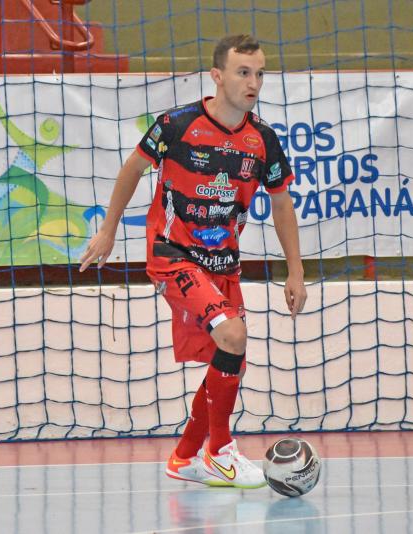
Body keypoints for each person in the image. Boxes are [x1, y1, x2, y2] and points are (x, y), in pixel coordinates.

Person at [79, 34, 306, 488]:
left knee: (230, 356)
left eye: (259, 73)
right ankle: (219, 453)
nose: (253, 82)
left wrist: (296, 271)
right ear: (217, 76)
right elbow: (132, 169)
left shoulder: (263, 140)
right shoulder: (177, 125)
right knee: (234, 335)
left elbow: (282, 204)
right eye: (244, 72)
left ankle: (185, 457)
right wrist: (108, 228)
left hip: (224, 264)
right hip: (171, 254)